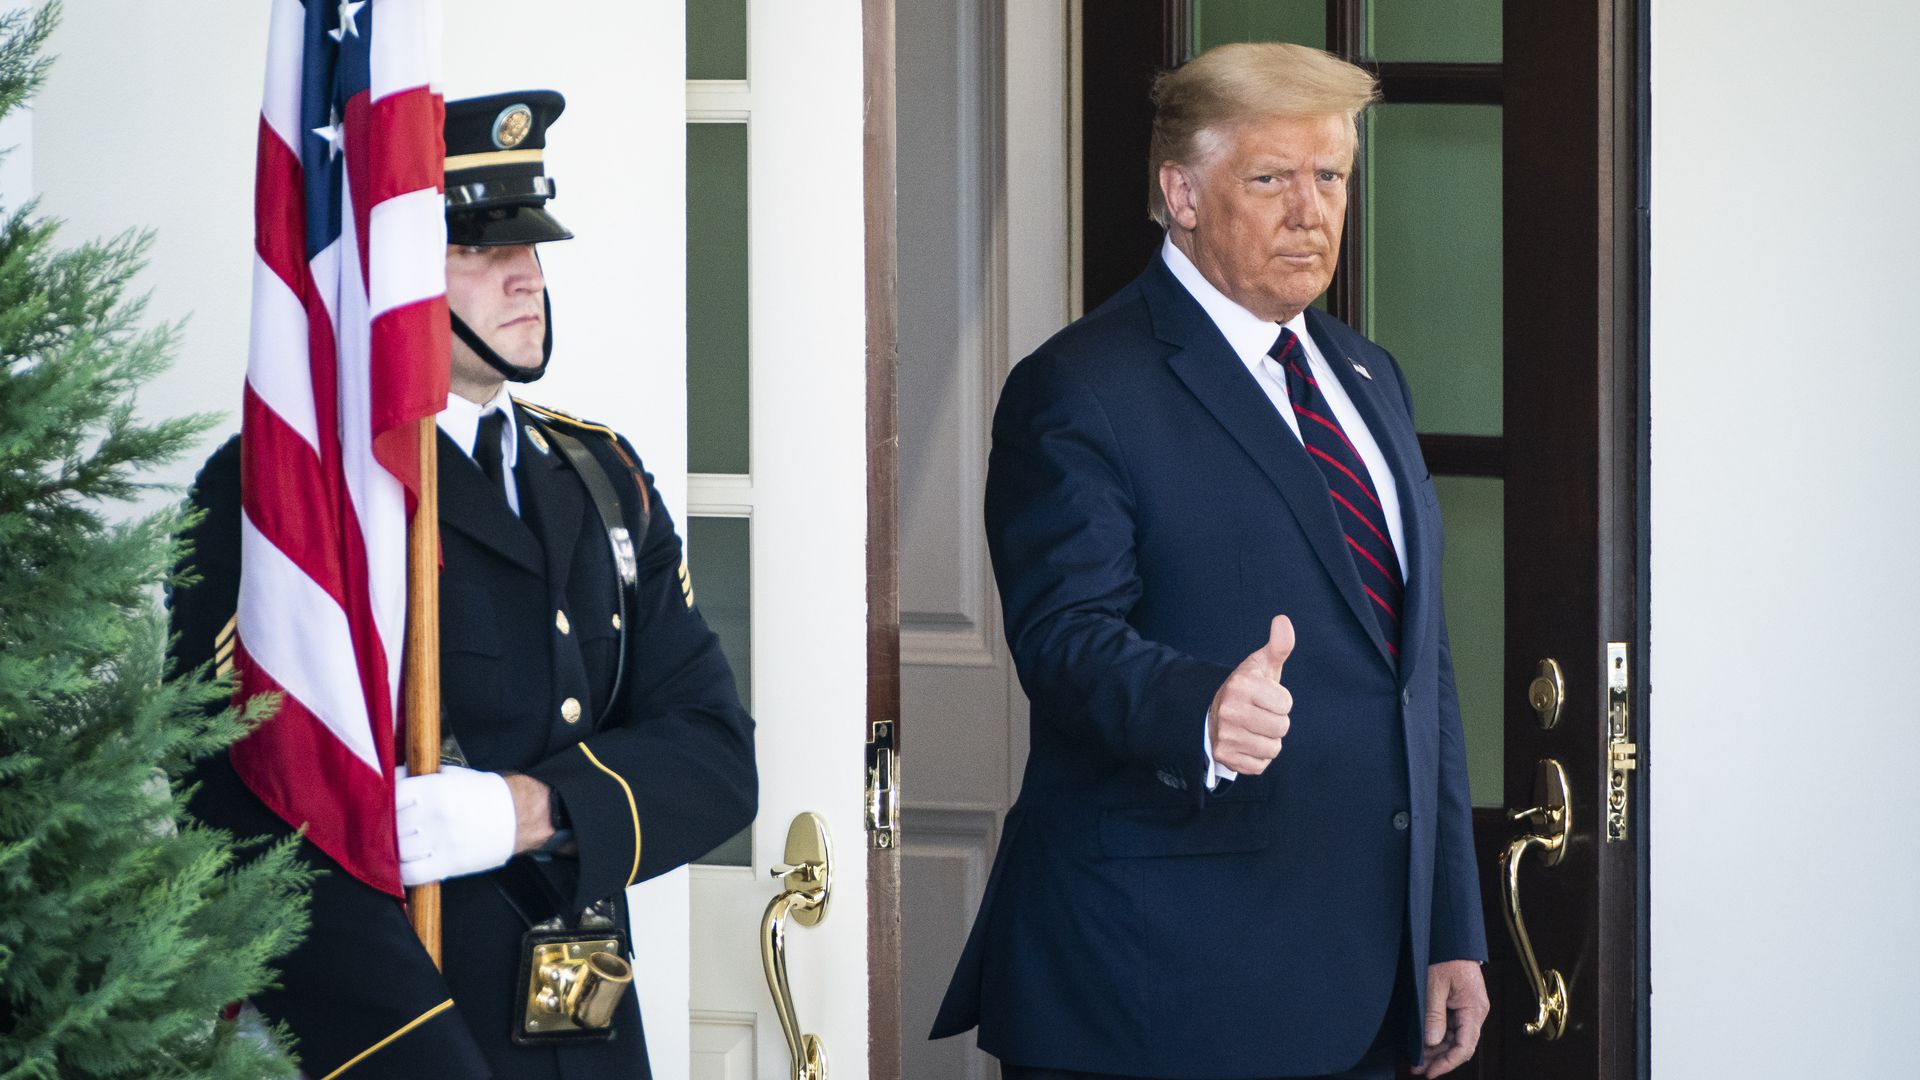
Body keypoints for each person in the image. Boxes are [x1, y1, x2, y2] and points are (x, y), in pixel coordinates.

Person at [168, 90, 756, 1079]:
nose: (525, 274)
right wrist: (415, 1054)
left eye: (530, 245)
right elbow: (237, 804)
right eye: (479, 250)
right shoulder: (286, 491)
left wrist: (526, 809)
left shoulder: (601, 477)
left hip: (587, 1025)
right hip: (400, 1035)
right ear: (387, 276)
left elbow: (713, 756)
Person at [930, 43, 1488, 1080]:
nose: (1310, 211)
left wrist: (1451, 919)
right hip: (1159, 986)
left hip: (1368, 977)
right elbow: (1063, 636)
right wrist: (1201, 710)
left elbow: (1420, 670)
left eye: (1331, 177)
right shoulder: (1080, 387)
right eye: (1271, 178)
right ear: (1180, 193)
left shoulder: (1370, 376)